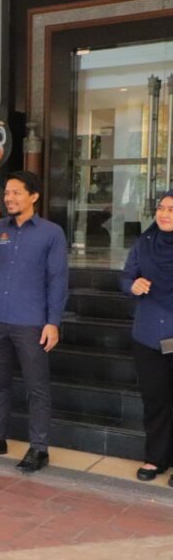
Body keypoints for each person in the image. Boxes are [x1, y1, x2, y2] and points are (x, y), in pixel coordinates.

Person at [0, 171, 68, 473]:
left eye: (16, 193)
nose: (9, 198)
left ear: (34, 196)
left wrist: (53, 322)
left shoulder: (51, 233)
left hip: (31, 323)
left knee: (37, 388)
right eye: (6, 193)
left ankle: (39, 448)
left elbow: (58, 280)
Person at [120, 190, 173, 483]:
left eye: (171, 210)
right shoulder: (145, 243)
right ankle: (156, 458)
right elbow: (126, 277)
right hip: (149, 334)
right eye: (161, 208)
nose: (164, 214)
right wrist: (133, 285)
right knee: (155, 399)